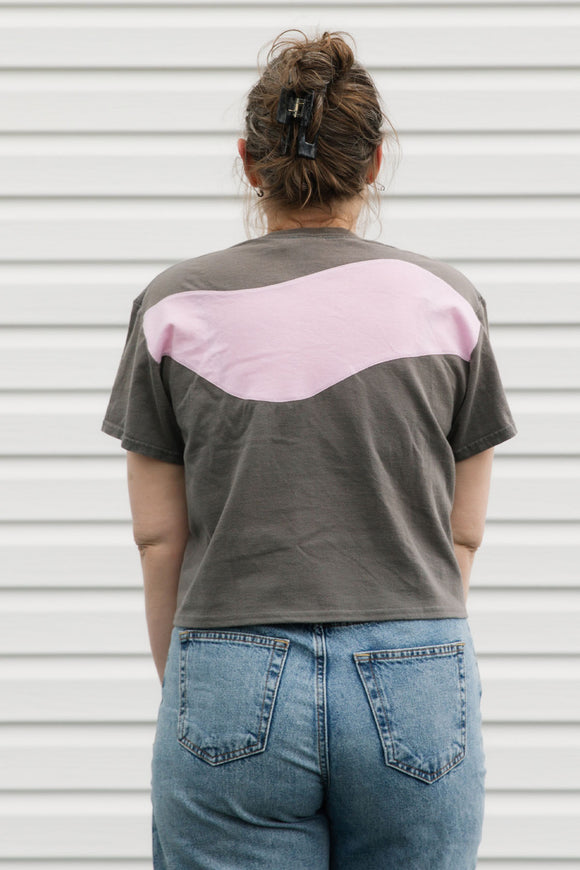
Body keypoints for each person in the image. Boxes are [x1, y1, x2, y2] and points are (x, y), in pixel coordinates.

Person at [101, 29, 518, 870]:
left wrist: (192, 677)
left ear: (250, 163)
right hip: (416, 655)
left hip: (226, 653)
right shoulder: (448, 302)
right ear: (371, 166)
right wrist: (407, 635)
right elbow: (462, 533)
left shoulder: (173, 306)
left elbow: (158, 539)